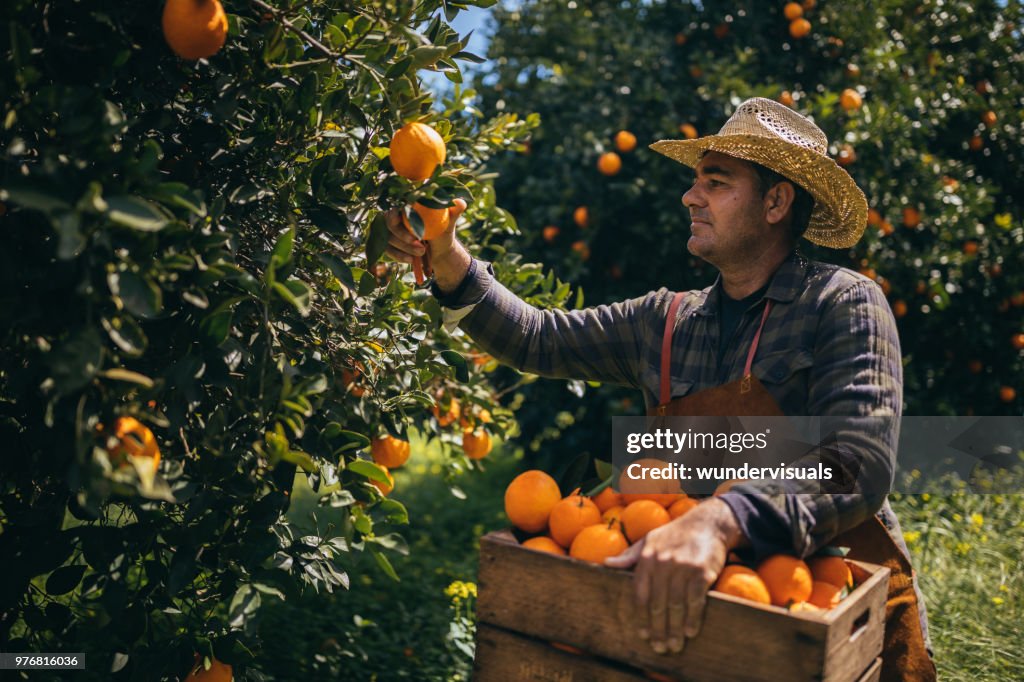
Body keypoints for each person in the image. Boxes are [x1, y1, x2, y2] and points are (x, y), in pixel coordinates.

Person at [385, 97, 936, 681]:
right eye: (695, 181)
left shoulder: (842, 303)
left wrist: (721, 519)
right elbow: (536, 338)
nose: (690, 197)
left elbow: (857, 462)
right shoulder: (665, 322)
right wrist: (446, 257)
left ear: (776, 201)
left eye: (716, 182)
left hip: (824, 611)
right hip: (704, 611)